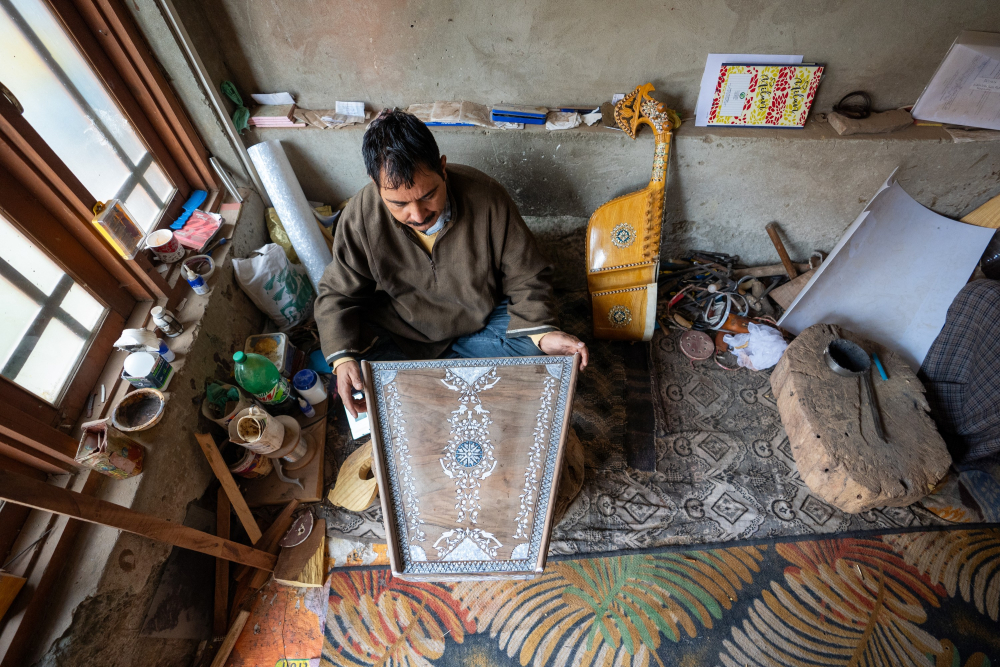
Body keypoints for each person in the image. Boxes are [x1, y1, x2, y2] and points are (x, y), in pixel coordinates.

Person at [315, 108, 589, 417]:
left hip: (481, 326)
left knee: (537, 349)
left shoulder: (486, 198)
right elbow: (337, 295)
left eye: (428, 195)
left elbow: (528, 276)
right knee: (358, 365)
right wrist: (343, 361)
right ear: (376, 186)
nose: (417, 215)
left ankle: (432, 379)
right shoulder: (361, 216)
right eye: (399, 204)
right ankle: (442, 375)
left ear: (443, 169)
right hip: (406, 334)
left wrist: (541, 334)